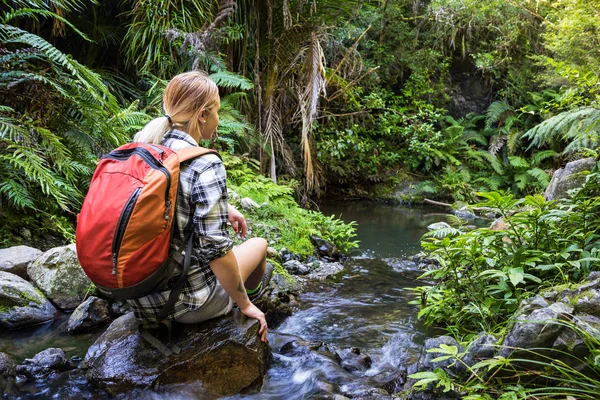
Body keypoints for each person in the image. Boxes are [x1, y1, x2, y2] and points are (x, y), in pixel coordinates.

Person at [127, 71, 270, 342]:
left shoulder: (146, 147)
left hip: (138, 298)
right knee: (259, 245)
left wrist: (222, 208)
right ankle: (248, 301)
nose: (218, 120)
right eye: (217, 112)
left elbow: (163, 204)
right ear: (203, 114)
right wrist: (244, 305)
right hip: (188, 304)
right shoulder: (206, 163)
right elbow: (216, 249)